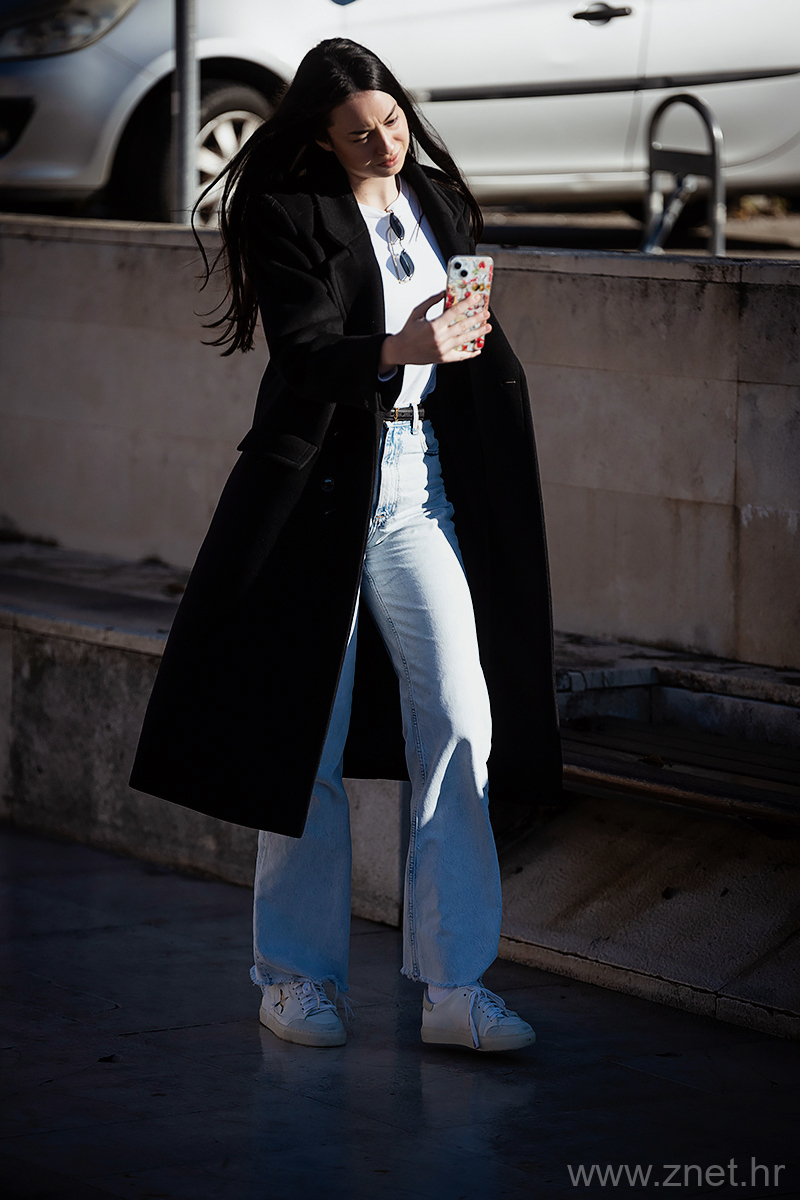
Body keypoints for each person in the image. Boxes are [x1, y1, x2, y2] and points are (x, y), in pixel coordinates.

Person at [130, 38, 561, 1052]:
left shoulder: (437, 202)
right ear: (321, 139)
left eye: (393, 122)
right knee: (306, 740)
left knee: (460, 719)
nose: (384, 144)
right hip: (318, 497)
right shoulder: (288, 214)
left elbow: (466, 340)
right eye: (359, 133)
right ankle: (293, 978)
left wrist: (464, 343)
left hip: (419, 487)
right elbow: (307, 353)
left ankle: (454, 988)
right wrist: (402, 346)